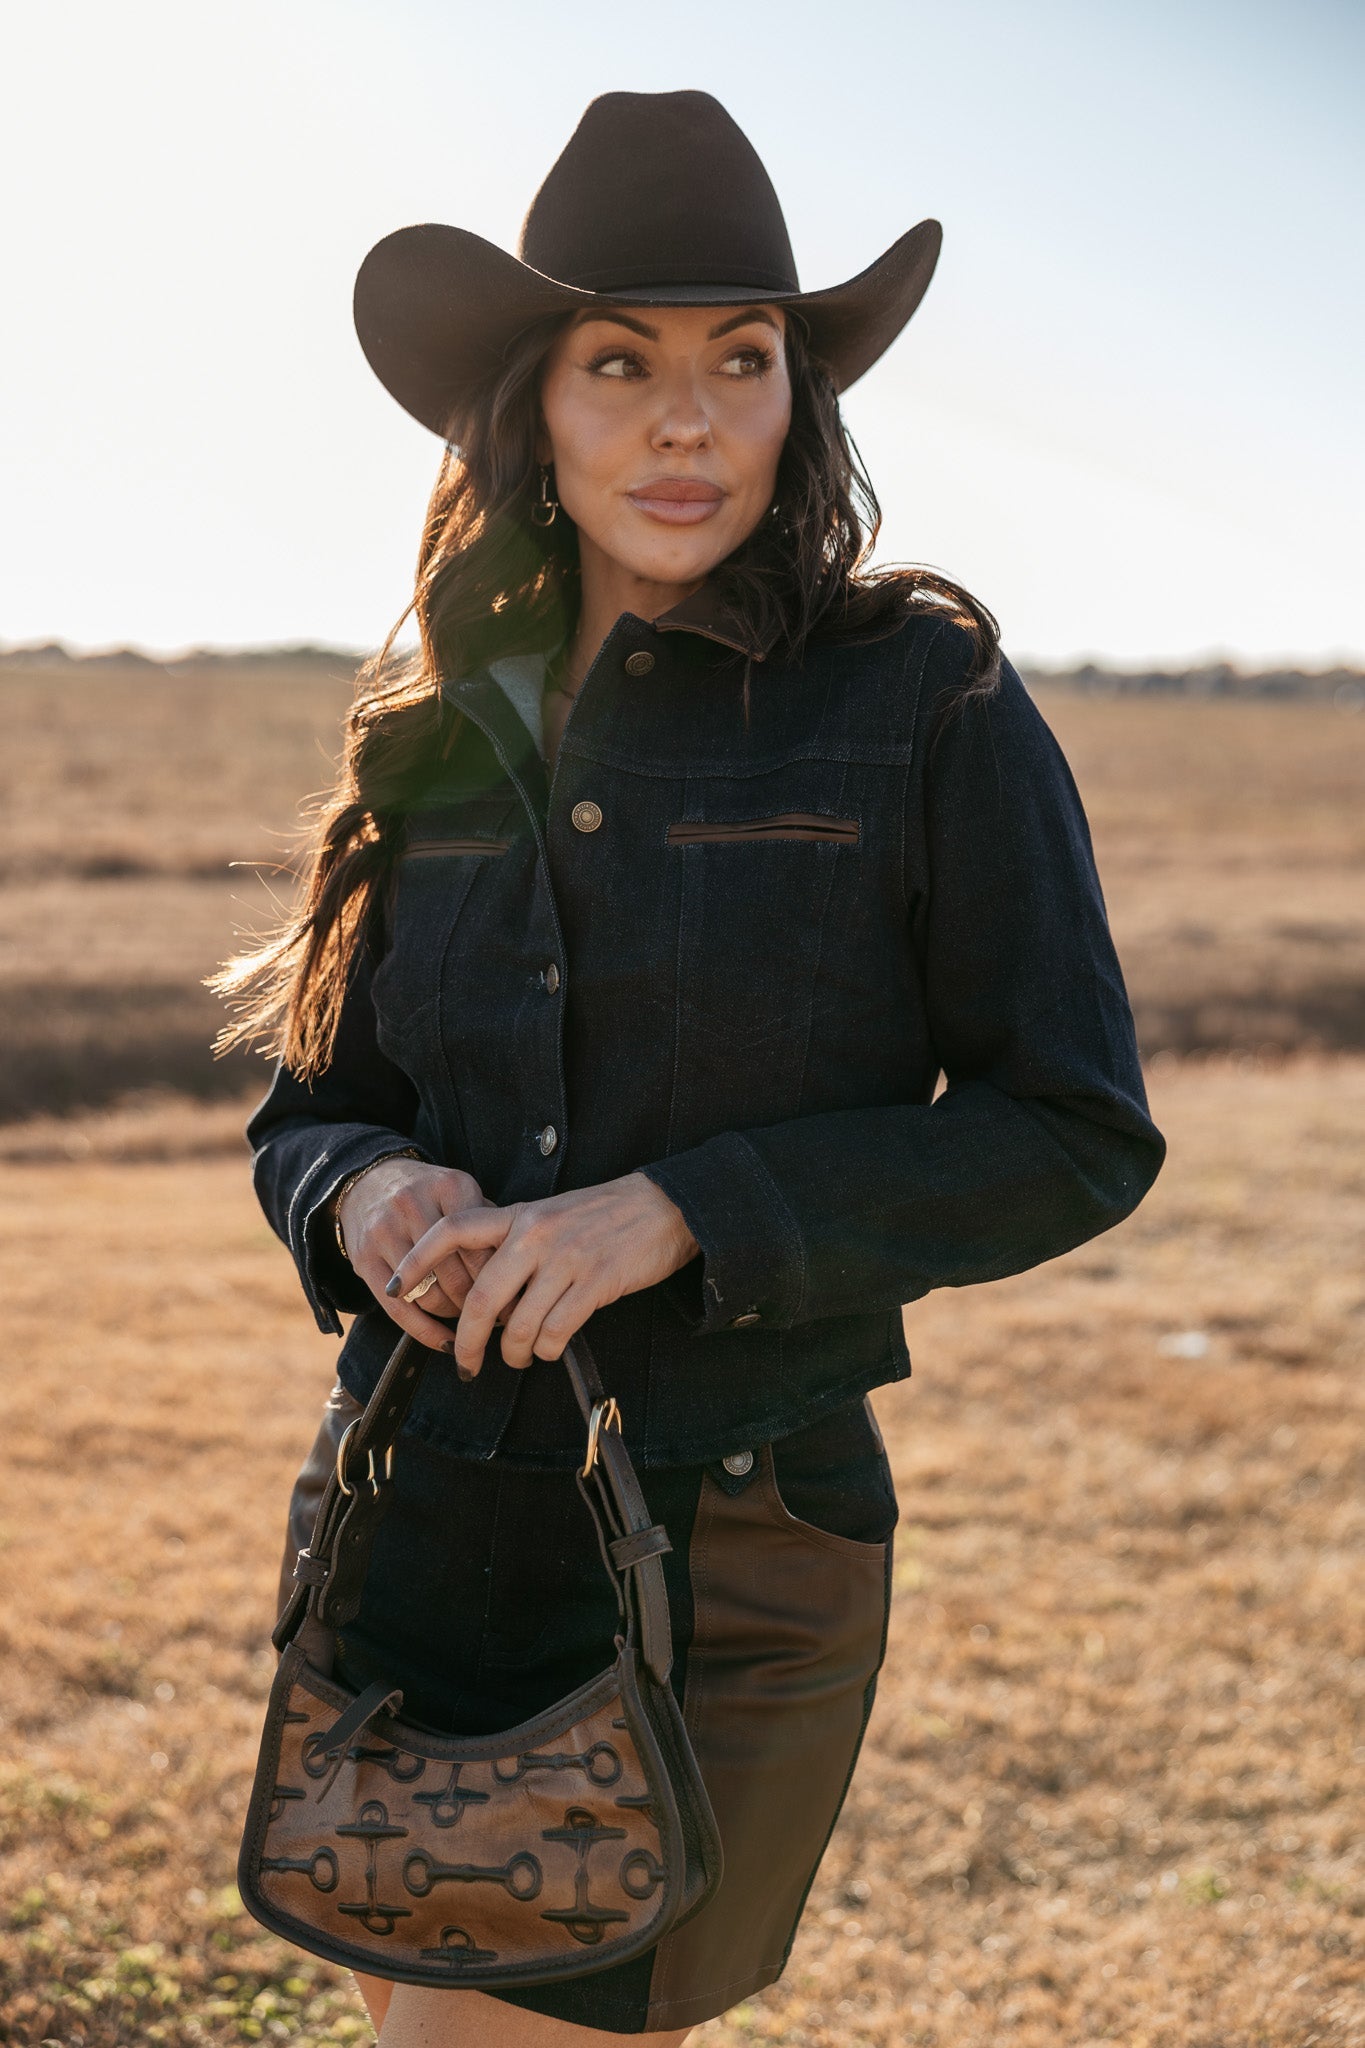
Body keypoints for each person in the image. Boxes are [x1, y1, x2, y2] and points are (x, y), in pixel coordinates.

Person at [217, 89, 1165, 2048]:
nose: (684, 420)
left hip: (729, 1525)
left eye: (743, 361)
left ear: (797, 404)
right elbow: (318, 1105)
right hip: (423, 1508)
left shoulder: (922, 701)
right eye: (620, 363)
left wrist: (682, 1211)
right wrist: (359, 1191)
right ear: (529, 410)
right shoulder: (432, 739)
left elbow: (1067, 1129)